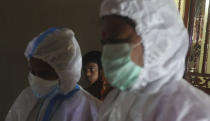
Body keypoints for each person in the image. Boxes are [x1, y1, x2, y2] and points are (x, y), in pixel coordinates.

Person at [97, 0, 210, 121]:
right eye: (104, 42)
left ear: (156, 40)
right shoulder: (116, 99)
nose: (107, 51)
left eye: (115, 40)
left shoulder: (195, 112)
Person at [5, 27, 102, 121]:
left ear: (65, 73)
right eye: (32, 72)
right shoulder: (27, 97)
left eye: (44, 74)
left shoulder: (91, 109)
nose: (37, 78)